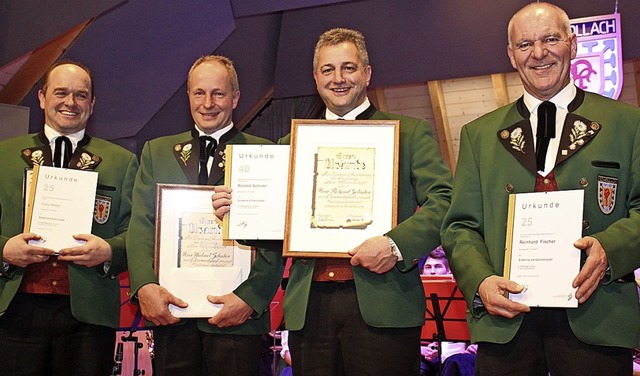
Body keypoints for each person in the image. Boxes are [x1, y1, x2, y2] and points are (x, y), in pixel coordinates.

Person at [213, 28, 452, 375]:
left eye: (348, 68)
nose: (338, 79)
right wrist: (238, 216)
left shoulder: (409, 132)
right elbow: (277, 231)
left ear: (367, 74)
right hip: (311, 310)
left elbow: (444, 201)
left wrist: (394, 245)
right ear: (315, 77)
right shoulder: (289, 144)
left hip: (383, 305)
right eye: (328, 70)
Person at [441, 3, 640, 375]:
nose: (539, 53)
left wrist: (610, 250)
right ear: (511, 56)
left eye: (550, 39)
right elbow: (460, 227)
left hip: (597, 319)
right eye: (524, 44)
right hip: (506, 325)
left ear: (572, 44)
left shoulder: (627, 124)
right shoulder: (478, 135)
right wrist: (480, 280)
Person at [126, 55, 284, 376]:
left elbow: (275, 239)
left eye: (219, 93)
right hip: (172, 313)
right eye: (199, 93)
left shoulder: (265, 153)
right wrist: (144, 286)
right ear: (188, 97)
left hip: (238, 316)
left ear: (236, 98)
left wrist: (250, 299)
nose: (208, 103)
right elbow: (141, 225)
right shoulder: (157, 152)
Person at [0, 60, 138, 375]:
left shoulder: (122, 162)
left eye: (80, 95)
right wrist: (4, 250)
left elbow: (138, 232)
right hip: (15, 310)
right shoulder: (3, 156)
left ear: (92, 104)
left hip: (88, 314)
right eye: (61, 92)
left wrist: (108, 252)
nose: (70, 102)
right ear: (41, 97)